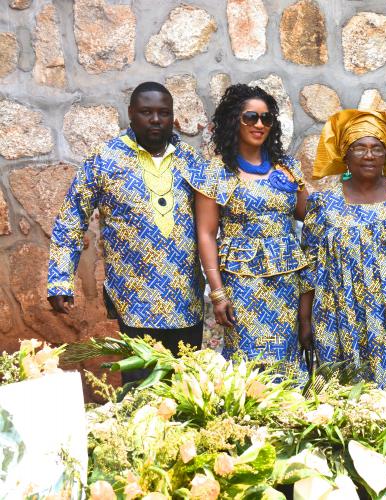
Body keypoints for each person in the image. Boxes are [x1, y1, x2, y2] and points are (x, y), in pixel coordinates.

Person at [47, 82, 205, 383]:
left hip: (187, 300)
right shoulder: (105, 159)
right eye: (146, 112)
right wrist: (59, 280)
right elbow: (70, 219)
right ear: (131, 113)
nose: (156, 119)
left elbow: (215, 220)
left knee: (189, 391)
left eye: (164, 113)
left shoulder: (192, 161)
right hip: (134, 299)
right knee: (141, 392)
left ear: (173, 116)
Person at [298, 109, 386, 397]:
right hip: (340, 315)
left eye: (377, 148)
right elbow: (310, 268)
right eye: (360, 148)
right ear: (345, 153)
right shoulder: (324, 204)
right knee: (347, 398)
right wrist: (305, 320)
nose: (369, 155)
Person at [189, 84, 308, 377]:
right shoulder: (215, 173)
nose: (259, 124)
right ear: (234, 121)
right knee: (248, 363)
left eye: (266, 118)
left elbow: (309, 213)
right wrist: (217, 293)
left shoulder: (287, 168)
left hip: (288, 281)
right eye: (250, 117)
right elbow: (206, 234)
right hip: (242, 284)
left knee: (287, 358)